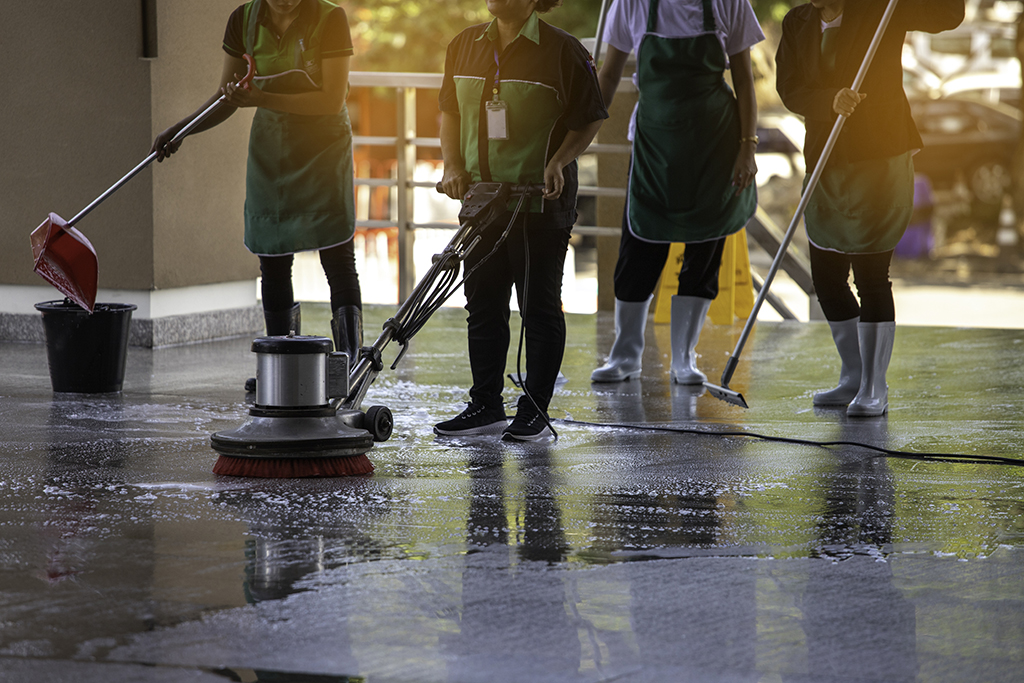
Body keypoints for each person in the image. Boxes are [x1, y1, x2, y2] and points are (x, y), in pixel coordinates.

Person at [151, 0, 363, 377]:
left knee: (337, 257)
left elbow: (332, 100)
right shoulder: (244, 20)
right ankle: (279, 367)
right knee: (273, 257)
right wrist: (182, 130)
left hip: (323, 147)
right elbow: (226, 96)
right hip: (272, 149)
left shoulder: (330, 18)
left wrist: (262, 98)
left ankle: (349, 365)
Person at [776, 0, 964, 416]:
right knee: (826, 278)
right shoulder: (797, 22)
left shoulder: (881, 8)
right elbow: (789, 87)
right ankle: (854, 376)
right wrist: (830, 100)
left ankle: (874, 388)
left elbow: (949, 15)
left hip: (878, 156)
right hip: (825, 158)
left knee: (871, 275)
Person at [435, 0, 607, 441]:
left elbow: (589, 118)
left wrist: (560, 160)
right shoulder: (464, 44)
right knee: (483, 306)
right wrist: (452, 164)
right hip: (483, 201)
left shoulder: (562, 50)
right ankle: (485, 405)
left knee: (539, 308)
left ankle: (534, 409)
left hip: (538, 202)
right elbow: (450, 110)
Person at [590, 0, 764, 386]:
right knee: (638, 252)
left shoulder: (729, 3)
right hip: (654, 146)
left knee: (703, 253)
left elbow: (745, 80)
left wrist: (747, 146)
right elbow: (608, 77)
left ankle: (684, 358)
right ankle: (625, 355)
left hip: (715, 144)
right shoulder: (629, 4)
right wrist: (577, 131)